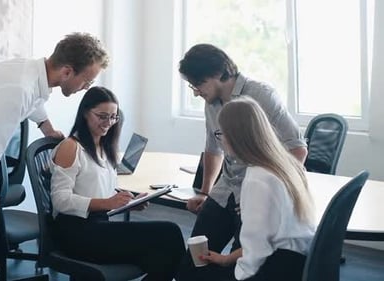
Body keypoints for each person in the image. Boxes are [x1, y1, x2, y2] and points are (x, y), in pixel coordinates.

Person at [0, 32, 109, 280]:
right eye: (87, 80)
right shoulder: (19, 89)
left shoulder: (31, 72)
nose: (86, 87)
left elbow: (34, 100)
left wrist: (46, 126)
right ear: (67, 72)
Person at [176, 44, 308, 280]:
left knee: (243, 265)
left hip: (256, 194)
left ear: (217, 74)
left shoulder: (261, 96)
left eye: (198, 84)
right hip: (227, 189)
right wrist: (205, 193)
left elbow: (297, 148)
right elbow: (212, 149)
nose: (195, 92)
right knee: (194, 262)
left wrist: (278, 193)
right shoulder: (211, 103)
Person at [50, 86, 186, 281]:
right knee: (168, 233)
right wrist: (107, 203)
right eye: (102, 116)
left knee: (162, 253)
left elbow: (100, 188)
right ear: (85, 113)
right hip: (76, 232)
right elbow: (60, 200)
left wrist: (128, 202)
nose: (108, 123)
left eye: (113, 117)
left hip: (98, 225)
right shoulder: (71, 147)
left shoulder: (103, 147)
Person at [199, 96, 316, 280]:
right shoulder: (283, 164)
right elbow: (266, 238)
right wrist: (227, 259)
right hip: (297, 262)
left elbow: (257, 249)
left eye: (221, 134)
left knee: (199, 275)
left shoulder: (257, 178)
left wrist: (237, 273)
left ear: (234, 136)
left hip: (276, 269)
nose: (221, 140)